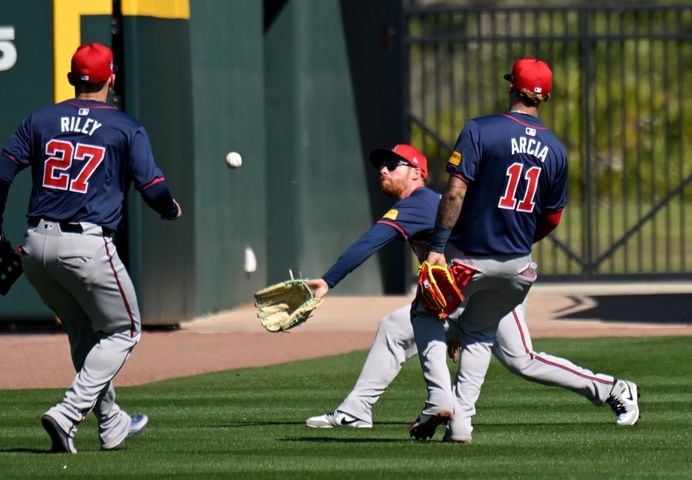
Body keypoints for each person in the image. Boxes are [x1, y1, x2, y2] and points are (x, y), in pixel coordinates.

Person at [409, 57, 640, 443]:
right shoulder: (556, 150)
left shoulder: (481, 129)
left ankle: (438, 399)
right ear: (544, 97)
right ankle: (461, 424)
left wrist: (436, 248)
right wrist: (513, 241)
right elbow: (551, 219)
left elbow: (455, 191)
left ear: (511, 88)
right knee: (482, 335)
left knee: (424, 313)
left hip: (471, 260)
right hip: (517, 268)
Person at [0, 42, 182, 453]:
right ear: (111, 79)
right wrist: (170, 209)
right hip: (86, 246)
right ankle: (68, 413)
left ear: (70, 78)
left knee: (83, 331)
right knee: (125, 330)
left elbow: (3, 170)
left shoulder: (40, 119)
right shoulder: (124, 126)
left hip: (37, 247)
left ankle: (113, 423)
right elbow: (152, 187)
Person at [304, 143, 457, 428]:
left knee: (524, 360)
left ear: (416, 173)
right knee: (525, 361)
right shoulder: (429, 203)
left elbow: (370, 242)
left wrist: (328, 280)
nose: (383, 170)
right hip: (470, 295)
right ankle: (358, 409)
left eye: (392, 164)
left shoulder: (418, 203)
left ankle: (362, 409)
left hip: (468, 296)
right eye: (381, 166)